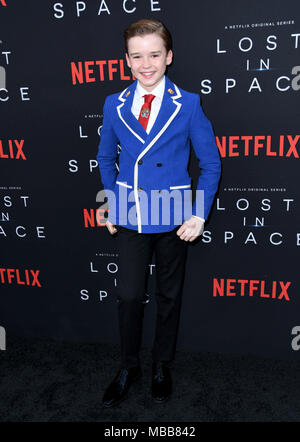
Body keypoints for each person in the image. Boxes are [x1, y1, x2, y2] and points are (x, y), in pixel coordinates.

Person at [96, 18, 221, 407]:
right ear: (127, 60)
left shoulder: (189, 104)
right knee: (129, 296)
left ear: (168, 56)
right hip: (131, 213)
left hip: (174, 215)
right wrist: (110, 203)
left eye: (153, 54)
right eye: (137, 56)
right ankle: (128, 365)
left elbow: (210, 164)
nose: (145, 64)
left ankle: (161, 364)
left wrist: (199, 215)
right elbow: (104, 158)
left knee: (169, 295)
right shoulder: (113, 104)